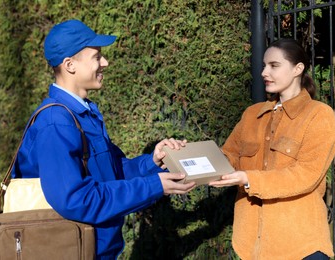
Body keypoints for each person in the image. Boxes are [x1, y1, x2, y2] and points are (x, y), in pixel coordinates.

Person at [11, 19, 196, 259]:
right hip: (72, 252)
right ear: (70, 65)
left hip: (97, 250)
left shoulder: (82, 114)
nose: (105, 63)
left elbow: (112, 173)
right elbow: (76, 200)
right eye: (97, 57)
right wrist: (154, 186)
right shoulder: (56, 123)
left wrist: (152, 162)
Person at [209, 38, 335, 259]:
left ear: (298, 68)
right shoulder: (252, 114)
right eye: (264, 65)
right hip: (251, 246)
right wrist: (186, 157)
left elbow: (306, 174)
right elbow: (228, 156)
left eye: (274, 65)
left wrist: (248, 178)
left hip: (301, 246)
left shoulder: (318, 115)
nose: (264, 72)